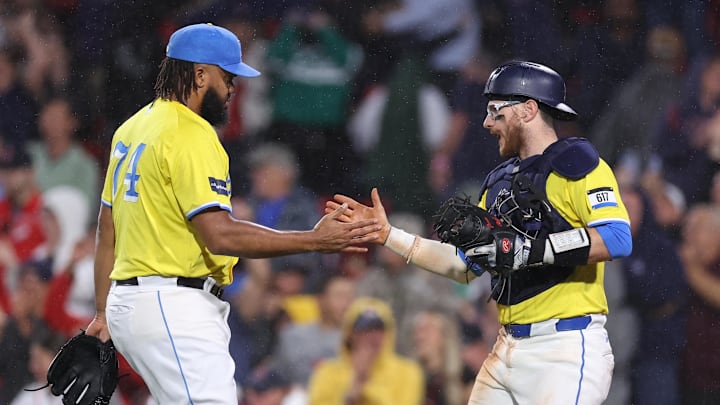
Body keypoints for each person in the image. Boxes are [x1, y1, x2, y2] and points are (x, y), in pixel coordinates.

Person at [84, 22, 381, 405]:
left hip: (135, 303)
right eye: (227, 77)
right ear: (200, 74)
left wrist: (103, 311)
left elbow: (106, 229)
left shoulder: (131, 128)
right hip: (171, 304)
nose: (231, 89)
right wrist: (313, 240)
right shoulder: (191, 133)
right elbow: (219, 234)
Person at [327, 60, 633, 404]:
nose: (487, 122)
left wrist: (527, 249)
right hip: (507, 347)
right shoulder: (498, 182)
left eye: (495, 111)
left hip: (564, 348)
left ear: (528, 109)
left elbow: (617, 238)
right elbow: (464, 266)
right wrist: (388, 235)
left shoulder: (577, 163)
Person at [306, 297, 425, 404]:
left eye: (379, 329)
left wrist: (366, 385)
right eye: (365, 329)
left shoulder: (408, 371)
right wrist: (353, 390)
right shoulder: (328, 371)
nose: (373, 336)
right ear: (351, 333)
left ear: (388, 333)